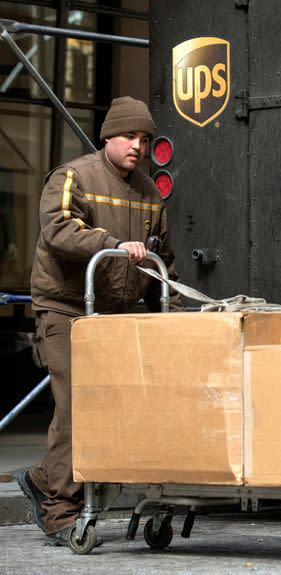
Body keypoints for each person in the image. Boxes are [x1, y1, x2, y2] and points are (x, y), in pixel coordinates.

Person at [16, 96, 181, 546]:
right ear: (108, 136)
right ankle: (59, 510)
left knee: (120, 405)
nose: (138, 147)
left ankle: (42, 479)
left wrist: (179, 308)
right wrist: (112, 242)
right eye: (130, 137)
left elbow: (161, 258)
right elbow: (59, 229)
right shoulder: (72, 177)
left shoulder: (149, 192)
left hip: (113, 313)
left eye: (145, 139)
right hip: (66, 308)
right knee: (75, 405)